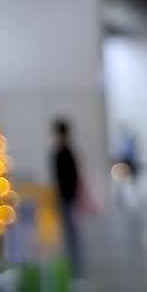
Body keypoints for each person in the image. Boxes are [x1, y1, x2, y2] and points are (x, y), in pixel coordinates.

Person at [51, 119, 83, 282]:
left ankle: (76, 270)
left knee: (71, 234)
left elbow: (70, 177)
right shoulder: (64, 151)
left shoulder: (64, 152)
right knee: (69, 233)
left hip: (66, 198)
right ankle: (73, 269)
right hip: (65, 198)